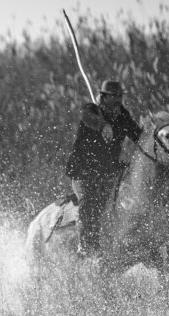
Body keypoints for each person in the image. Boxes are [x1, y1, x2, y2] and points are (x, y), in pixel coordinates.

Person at [65, 79, 143, 257]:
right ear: (103, 97)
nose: (117, 100)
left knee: (111, 206)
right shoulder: (91, 111)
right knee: (89, 203)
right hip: (82, 173)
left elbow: (138, 136)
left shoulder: (123, 117)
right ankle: (86, 247)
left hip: (107, 173)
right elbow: (89, 119)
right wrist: (104, 125)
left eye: (119, 96)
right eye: (113, 96)